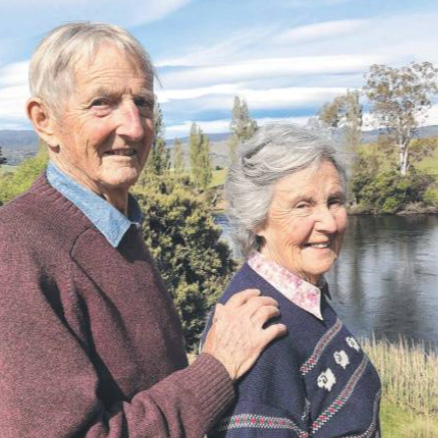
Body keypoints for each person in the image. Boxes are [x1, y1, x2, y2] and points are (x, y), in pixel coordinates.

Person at [0, 23, 287, 437]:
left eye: (143, 103)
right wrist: (216, 369)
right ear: (44, 120)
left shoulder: (115, 228)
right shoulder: (17, 249)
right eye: (103, 103)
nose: (135, 127)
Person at [203, 124, 381, 437]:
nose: (328, 222)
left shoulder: (304, 295)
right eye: (303, 205)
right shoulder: (259, 331)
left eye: (334, 201)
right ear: (258, 220)